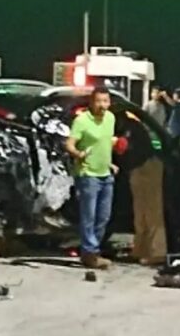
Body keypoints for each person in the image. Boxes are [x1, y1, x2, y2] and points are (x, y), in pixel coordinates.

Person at [66, 86, 118, 270]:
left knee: (103, 217)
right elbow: (69, 144)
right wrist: (79, 154)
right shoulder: (82, 121)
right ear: (91, 102)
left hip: (106, 174)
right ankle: (90, 252)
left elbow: (105, 144)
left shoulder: (111, 118)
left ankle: (90, 251)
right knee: (89, 216)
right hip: (88, 175)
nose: (102, 105)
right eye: (99, 101)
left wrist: (110, 164)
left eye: (106, 101)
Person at [118, 112, 167, 266]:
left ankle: (157, 252)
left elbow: (125, 147)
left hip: (146, 167)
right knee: (140, 213)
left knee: (152, 212)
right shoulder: (124, 127)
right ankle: (141, 250)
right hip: (137, 169)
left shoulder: (131, 128)